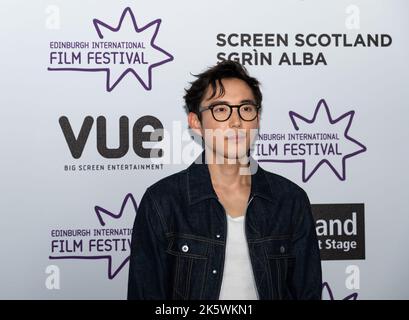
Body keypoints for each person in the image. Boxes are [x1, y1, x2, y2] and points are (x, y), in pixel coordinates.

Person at [127, 60, 322, 300]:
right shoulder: (163, 201)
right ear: (195, 122)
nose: (236, 122)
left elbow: (307, 293)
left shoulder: (290, 200)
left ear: (257, 118)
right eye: (220, 109)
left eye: (246, 109)